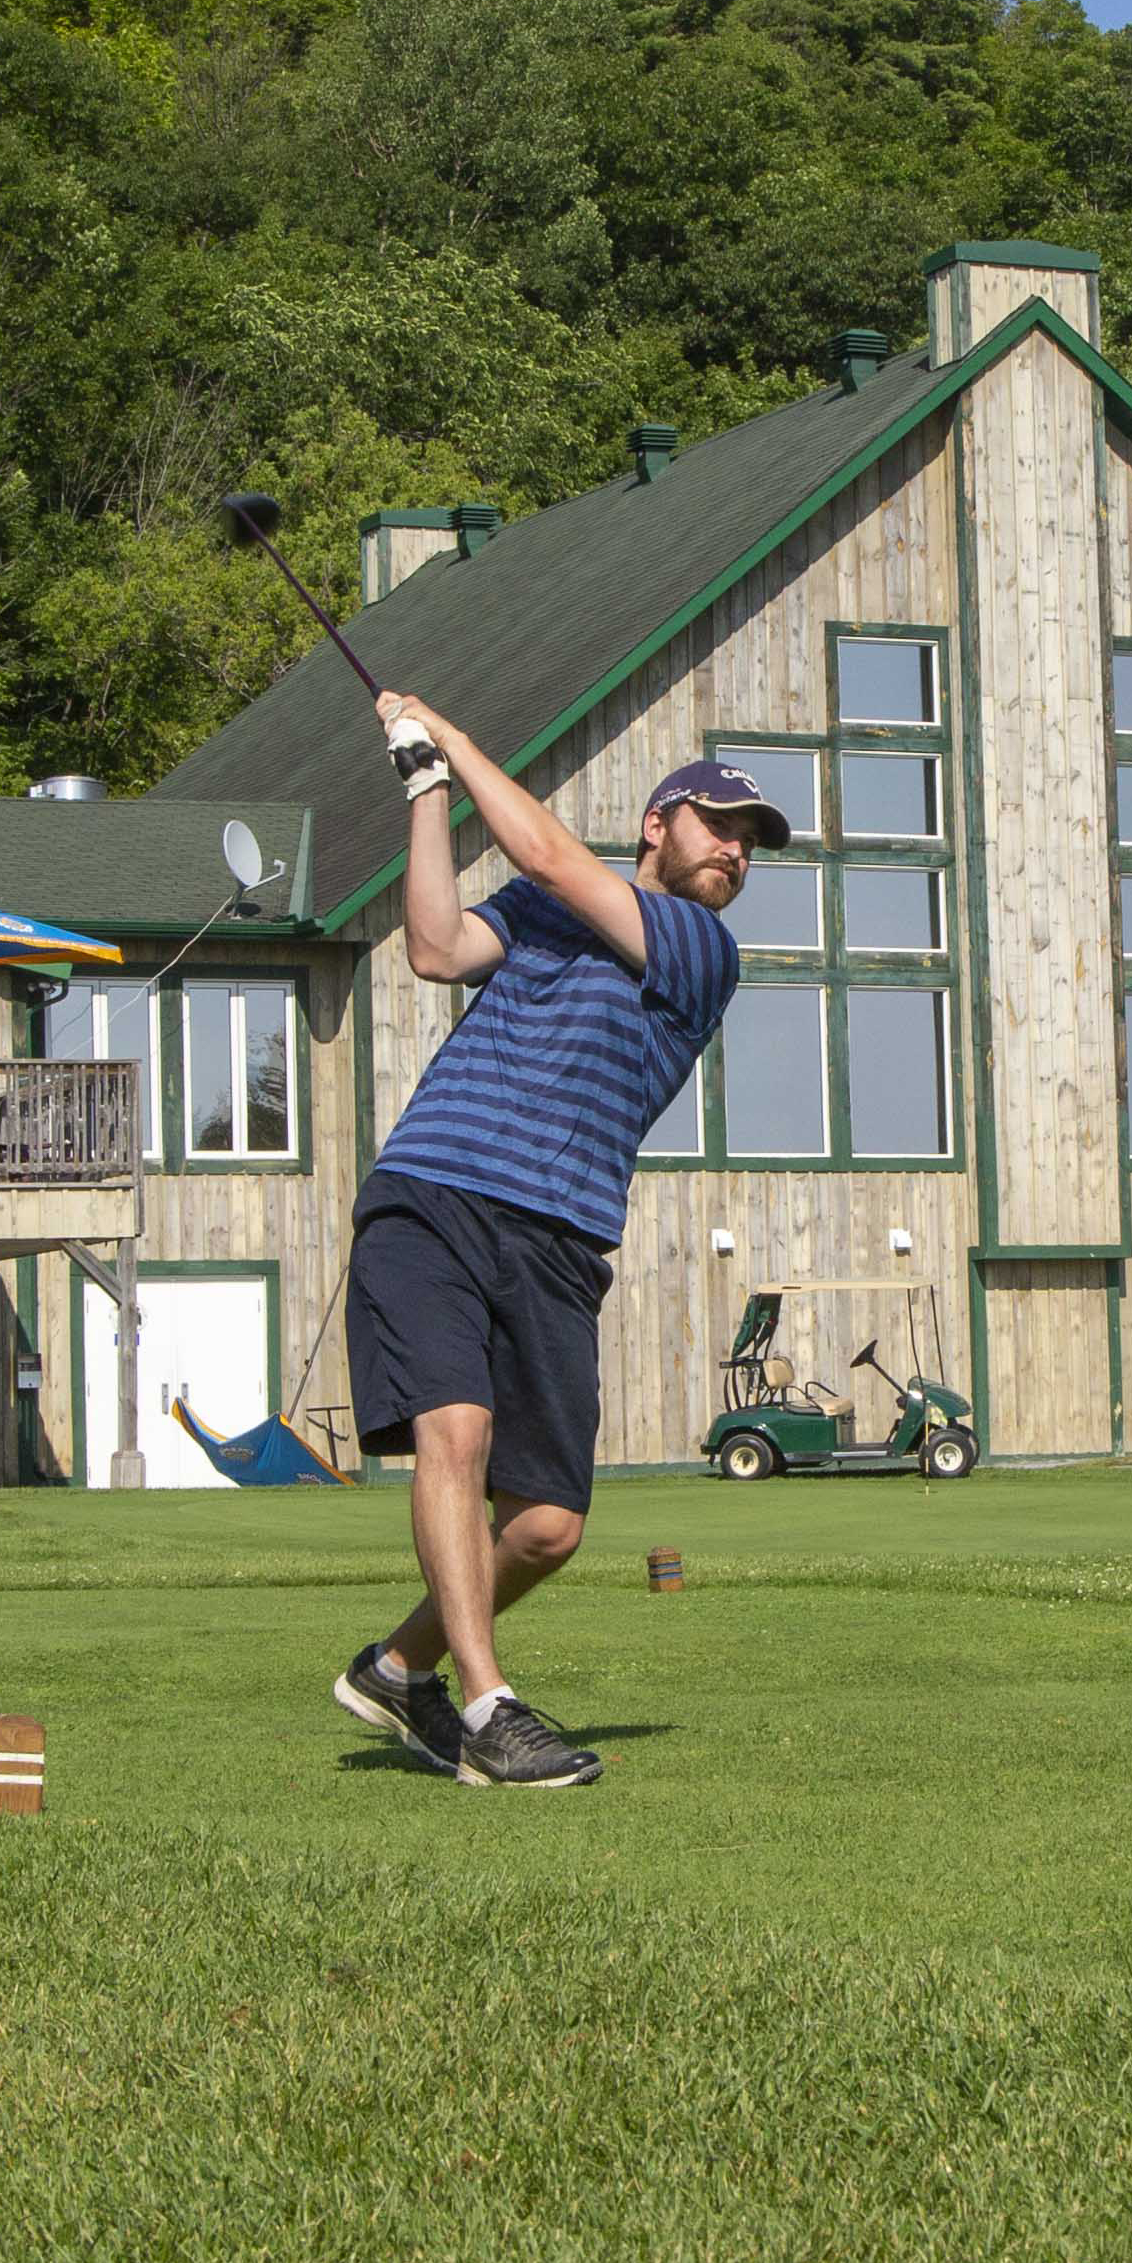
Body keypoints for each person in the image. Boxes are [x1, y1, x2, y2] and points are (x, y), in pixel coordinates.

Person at [333, 695, 778, 1786]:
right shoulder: (545, 910)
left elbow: (542, 845)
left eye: (749, 841)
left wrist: (455, 737)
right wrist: (424, 790)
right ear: (658, 822)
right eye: (717, 823)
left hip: (558, 1238)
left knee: (545, 1527)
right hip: (433, 1191)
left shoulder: (696, 949)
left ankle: (399, 1668)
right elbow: (436, 947)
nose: (733, 849)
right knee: (457, 1432)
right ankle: (488, 1709)